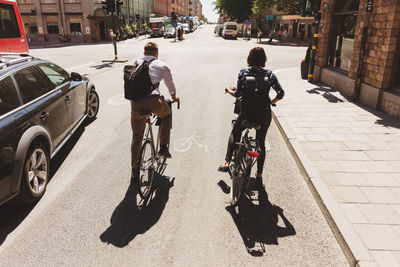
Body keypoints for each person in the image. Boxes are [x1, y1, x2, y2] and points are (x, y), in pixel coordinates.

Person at [218, 47, 284, 184]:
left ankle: (226, 162)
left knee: (235, 133)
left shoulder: (243, 73)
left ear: (249, 59)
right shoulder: (270, 75)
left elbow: (238, 94)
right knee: (261, 143)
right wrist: (272, 102)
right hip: (263, 114)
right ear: (264, 60)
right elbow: (281, 93)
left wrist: (229, 90)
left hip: (247, 113)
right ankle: (259, 174)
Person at [130, 42, 180, 180]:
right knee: (167, 114)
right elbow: (171, 86)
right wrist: (174, 97)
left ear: (144, 53)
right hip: (154, 102)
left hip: (136, 105)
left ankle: (134, 170)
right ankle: (163, 146)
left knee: (136, 137)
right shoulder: (162, 65)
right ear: (157, 53)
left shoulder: (136, 63)